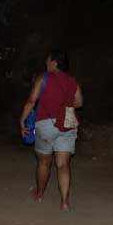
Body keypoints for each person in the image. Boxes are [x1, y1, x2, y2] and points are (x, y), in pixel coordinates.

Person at [19, 50, 83, 211]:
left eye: (48, 61)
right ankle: (65, 203)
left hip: (46, 124)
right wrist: (64, 106)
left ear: (54, 63)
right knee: (63, 165)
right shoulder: (72, 80)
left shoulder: (43, 78)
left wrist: (22, 120)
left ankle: (40, 194)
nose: (46, 64)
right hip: (67, 125)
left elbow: (31, 101)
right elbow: (79, 102)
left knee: (43, 162)